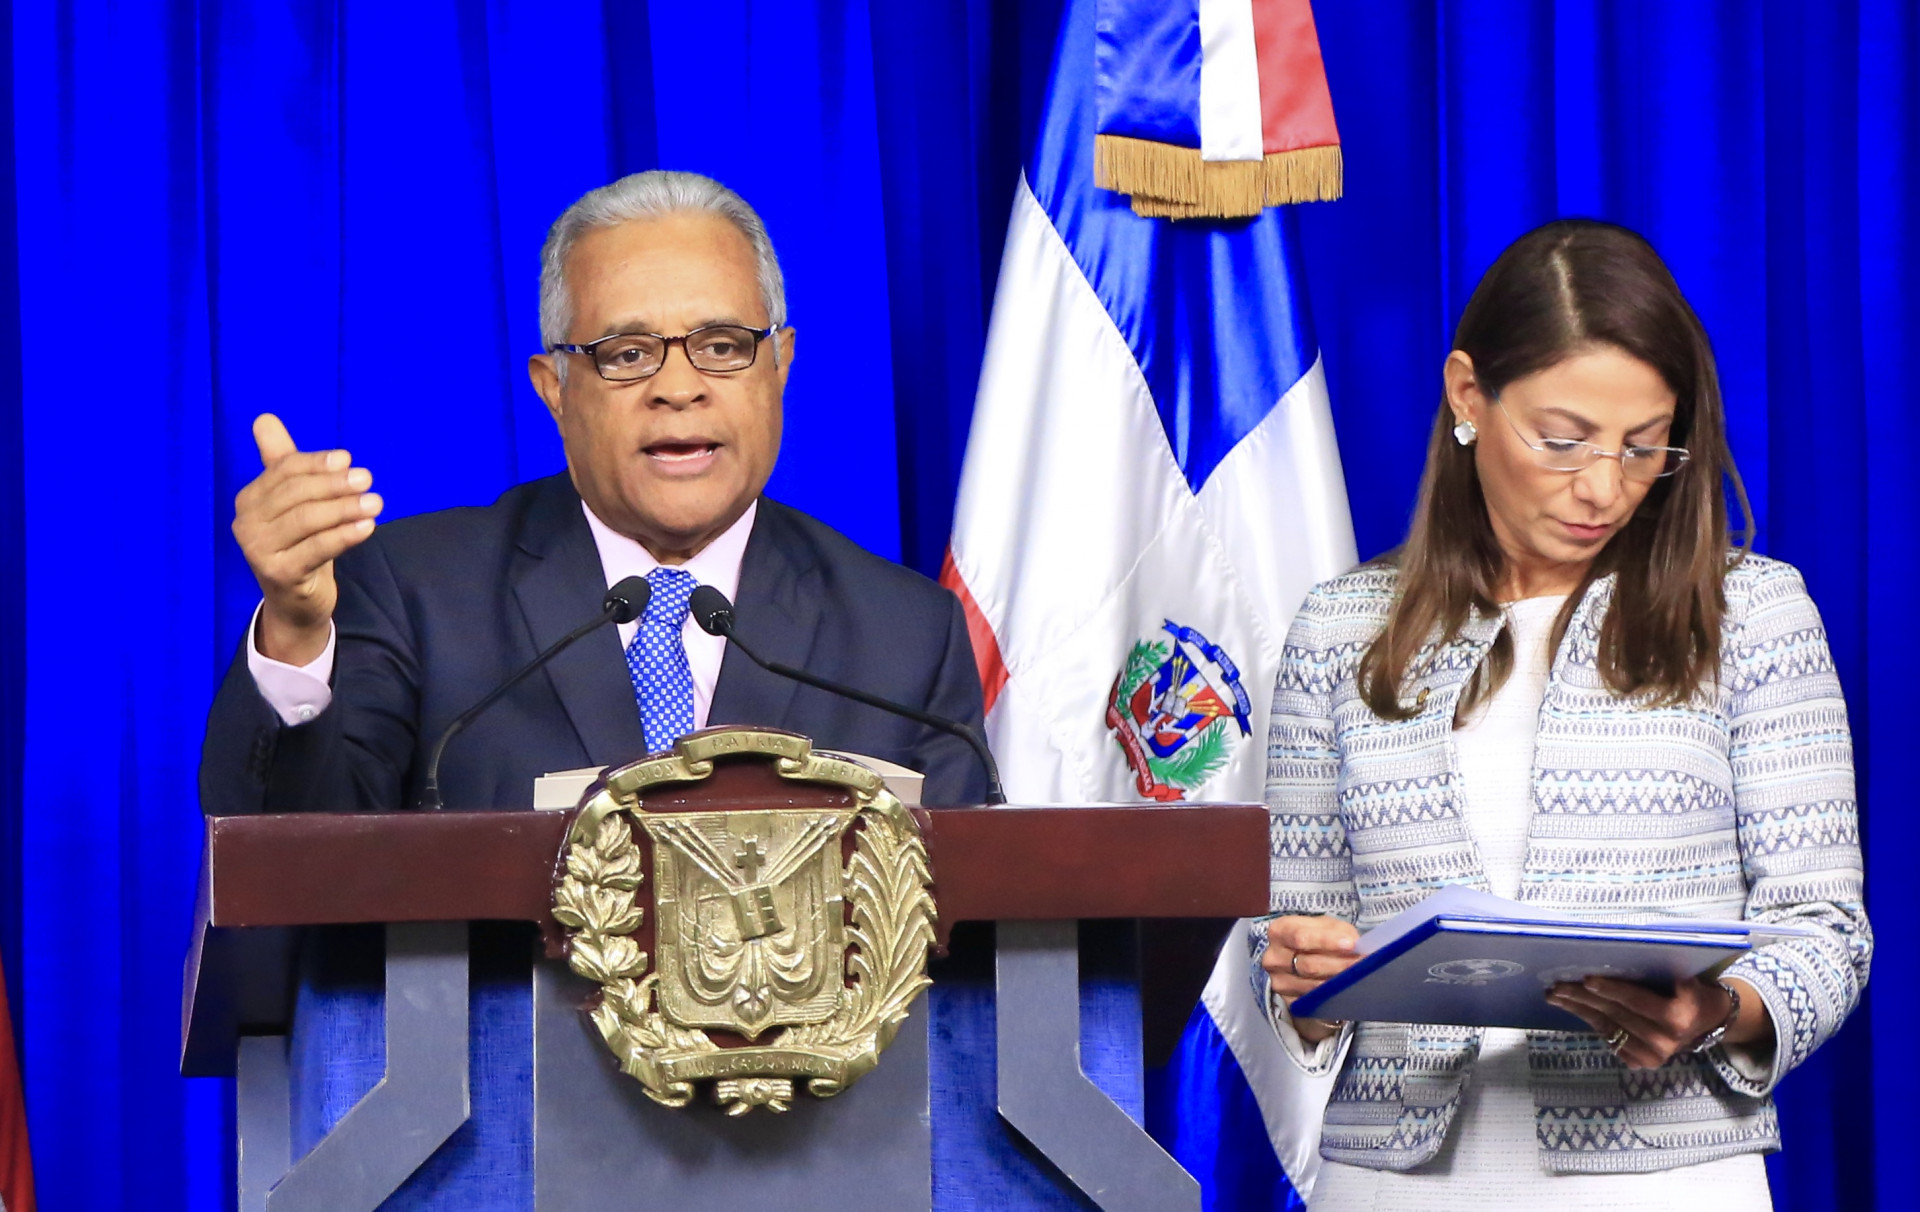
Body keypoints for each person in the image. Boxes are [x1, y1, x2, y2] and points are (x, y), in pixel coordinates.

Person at [1257, 220, 1869, 1209]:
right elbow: (1288, 937)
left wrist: (1719, 1008)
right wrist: (1305, 980)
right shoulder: (1339, 629)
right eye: (1564, 440)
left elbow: (1826, 931)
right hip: (1388, 1181)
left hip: (1670, 1179)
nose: (1604, 488)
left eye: (1644, 447)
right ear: (1469, 396)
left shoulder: (1752, 613)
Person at [200, 170, 987, 814]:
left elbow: (967, 920)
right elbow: (295, 869)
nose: (678, 388)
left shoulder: (906, 636)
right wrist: (296, 634)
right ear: (555, 387)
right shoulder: (417, 592)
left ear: (779, 364)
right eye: (628, 353)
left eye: (721, 346)